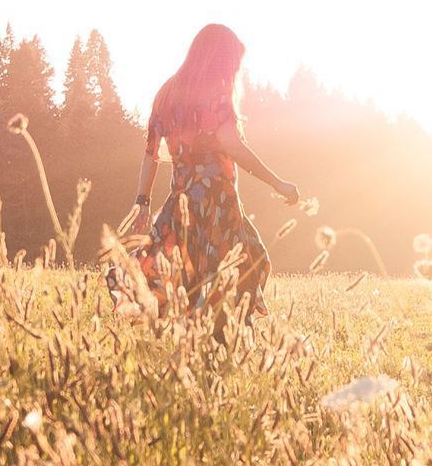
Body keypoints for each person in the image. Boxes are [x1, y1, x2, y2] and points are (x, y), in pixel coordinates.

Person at [120, 23, 302, 319]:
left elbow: (150, 154)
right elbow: (233, 145)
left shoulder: (166, 93)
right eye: (233, 65)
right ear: (221, 59)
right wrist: (277, 182)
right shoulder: (215, 93)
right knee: (243, 267)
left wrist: (142, 200)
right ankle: (220, 342)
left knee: (186, 276)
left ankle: (199, 341)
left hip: (180, 203)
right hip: (216, 204)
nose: (234, 73)